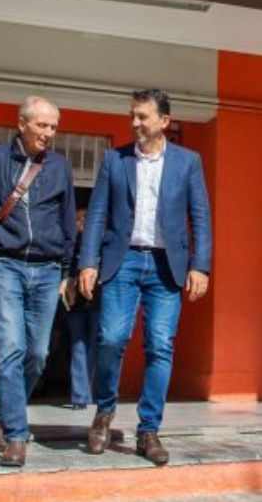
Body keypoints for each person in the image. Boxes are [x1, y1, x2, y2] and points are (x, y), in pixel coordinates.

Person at [78, 88, 212, 465]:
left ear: (163, 122)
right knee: (111, 337)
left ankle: (148, 429)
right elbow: (98, 213)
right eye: (133, 116)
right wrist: (88, 261)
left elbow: (200, 216)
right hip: (122, 262)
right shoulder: (114, 160)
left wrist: (200, 265)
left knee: (159, 345)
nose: (134, 123)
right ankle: (104, 412)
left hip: (166, 266)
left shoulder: (188, 162)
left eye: (142, 117)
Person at [0, 96, 77, 468]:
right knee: (10, 347)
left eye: (53, 126)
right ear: (22, 123)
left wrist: (68, 272)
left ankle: (4, 416)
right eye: (42, 125)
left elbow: (68, 220)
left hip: (47, 269)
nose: (48, 133)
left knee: (38, 353)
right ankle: (16, 435)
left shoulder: (60, 166)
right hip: (5, 264)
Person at [63, 208, 98, 410]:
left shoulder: (100, 243)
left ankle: (91, 391)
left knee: (95, 345)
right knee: (78, 345)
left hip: (97, 299)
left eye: (85, 219)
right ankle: (80, 396)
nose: (82, 223)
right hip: (74, 301)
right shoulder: (70, 244)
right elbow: (64, 267)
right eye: (78, 219)